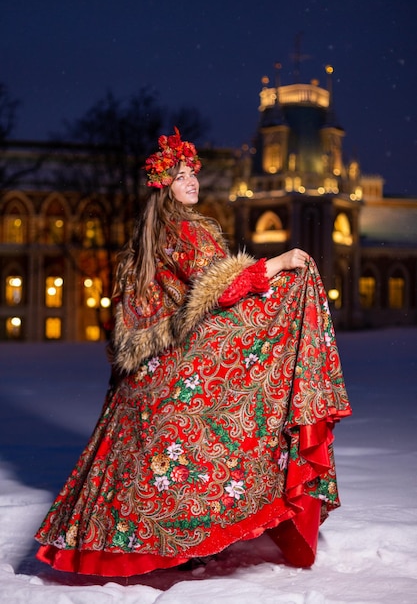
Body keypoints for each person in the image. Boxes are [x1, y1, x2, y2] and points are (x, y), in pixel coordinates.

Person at [35, 128, 351, 577]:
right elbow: (217, 286)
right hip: (175, 354)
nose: (193, 182)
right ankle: (192, 537)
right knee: (213, 429)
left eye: (194, 175)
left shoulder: (149, 234)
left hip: (147, 365)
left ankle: (115, 541)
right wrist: (277, 267)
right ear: (165, 185)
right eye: (182, 176)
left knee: (152, 450)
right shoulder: (185, 227)